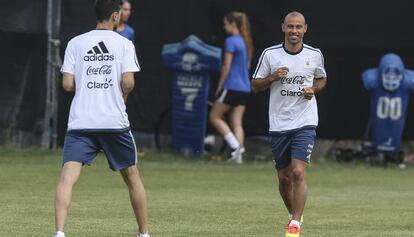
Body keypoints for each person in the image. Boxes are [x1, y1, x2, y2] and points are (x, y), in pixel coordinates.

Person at [54, 1, 149, 237]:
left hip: (81, 122)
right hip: (113, 122)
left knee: (67, 178)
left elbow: (67, 84)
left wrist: (88, 84)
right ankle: (144, 233)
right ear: (115, 16)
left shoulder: (76, 43)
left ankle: (59, 232)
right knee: (132, 178)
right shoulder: (125, 44)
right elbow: (128, 82)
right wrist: (117, 93)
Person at [251, 11, 327, 237]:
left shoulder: (314, 54)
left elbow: (322, 79)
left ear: (305, 29)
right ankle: (295, 213)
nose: (294, 31)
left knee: (298, 172)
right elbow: (255, 85)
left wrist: (313, 89)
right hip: (279, 123)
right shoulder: (270, 54)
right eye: (291, 26)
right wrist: (273, 77)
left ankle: (295, 224)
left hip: (305, 120)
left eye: (299, 27)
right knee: (284, 178)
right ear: (283, 27)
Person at [209, 11, 254, 164]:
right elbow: (247, 65)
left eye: (226, 24)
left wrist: (221, 84)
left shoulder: (231, 41)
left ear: (233, 24)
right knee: (237, 122)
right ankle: (238, 158)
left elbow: (226, 65)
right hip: (245, 88)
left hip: (232, 86)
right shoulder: (245, 41)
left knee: (214, 117)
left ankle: (236, 147)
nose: (224, 27)